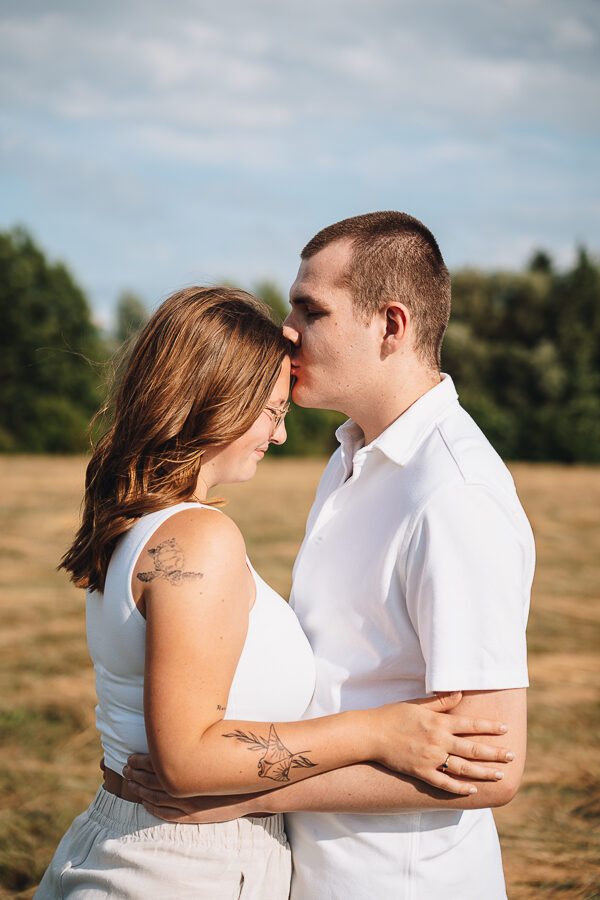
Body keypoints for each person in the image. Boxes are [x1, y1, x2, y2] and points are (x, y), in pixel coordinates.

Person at [35, 284, 513, 900]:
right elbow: (185, 762)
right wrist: (379, 731)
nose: (280, 435)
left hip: (146, 848)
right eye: (271, 411)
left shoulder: (142, 522)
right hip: (180, 867)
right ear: (214, 398)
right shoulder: (199, 538)